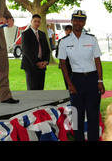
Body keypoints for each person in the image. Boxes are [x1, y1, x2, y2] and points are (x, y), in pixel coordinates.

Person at [58, 10, 105, 141]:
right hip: (76, 80)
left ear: (84, 22)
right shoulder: (64, 41)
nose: (78, 23)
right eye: (76, 20)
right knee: (77, 116)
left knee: (93, 115)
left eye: (81, 20)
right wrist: (69, 84)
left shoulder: (92, 39)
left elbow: (97, 60)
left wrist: (100, 81)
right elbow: (63, 63)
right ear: (72, 21)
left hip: (92, 79)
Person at [20, 14, 50, 90]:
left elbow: (47, 49)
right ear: (31, 22)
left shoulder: (42, 34)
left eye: (38, 21)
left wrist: (46, 61)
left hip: (42, 66)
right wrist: (36, 63)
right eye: (35, 21)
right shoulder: (26, 34)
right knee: (32, 89)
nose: (37, 23)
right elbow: (26, 51)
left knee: (41, 88)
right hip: (31, 65)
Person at [56, 24, 72, 89]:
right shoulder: (61, 41)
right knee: (67, 83)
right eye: (67, 30)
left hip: (74, 65)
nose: (68, 32)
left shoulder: (76, 40)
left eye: (70, 30)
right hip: (65, 65)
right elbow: (57, 54)